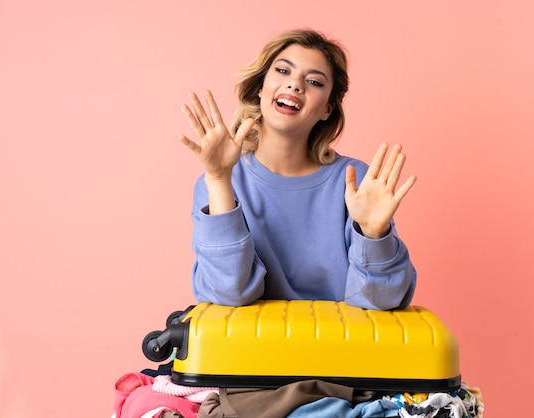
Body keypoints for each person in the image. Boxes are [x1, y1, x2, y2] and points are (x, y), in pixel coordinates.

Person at [179, 29, 417, 311]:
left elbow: (379, 301)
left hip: (342, 349)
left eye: (314, 81)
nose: (295, 85)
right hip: (250, 352)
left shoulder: (355, 182)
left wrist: (374, 235)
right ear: (260, 87)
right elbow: (230, 293)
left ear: (328, 109)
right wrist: (219, 180)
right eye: (282, 70)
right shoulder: (218, 182)